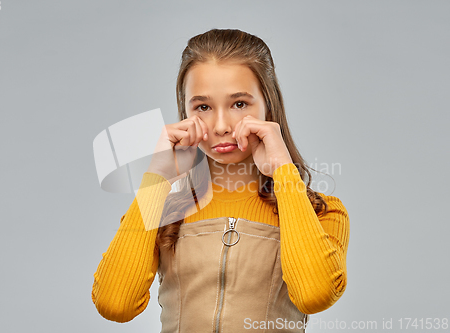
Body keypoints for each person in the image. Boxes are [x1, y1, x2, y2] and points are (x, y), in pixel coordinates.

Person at [91, 28, 350, 332]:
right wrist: (156, 180)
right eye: (203, 107)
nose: (222, 125)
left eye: (239, 103)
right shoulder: (164, 211)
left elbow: (315, 295)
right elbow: (115, 304)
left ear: (268, 105)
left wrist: (284, 172)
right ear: (186, 112)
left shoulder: (321, 211)